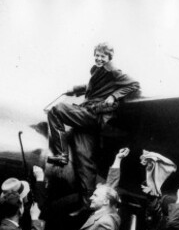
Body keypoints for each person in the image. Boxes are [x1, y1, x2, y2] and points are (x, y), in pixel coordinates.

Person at [47, 42, 140, 206]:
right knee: (85, 164)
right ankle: (87, 206)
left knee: (56, 110)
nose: (99, 58)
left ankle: (61, 154)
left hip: (93, 114)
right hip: (89, 122)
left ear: (109, 57)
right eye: (97, 55)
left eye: (103, 56)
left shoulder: (113, 70)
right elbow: (92, 88)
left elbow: (134, 84)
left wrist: (115, 96)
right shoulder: (98, 70)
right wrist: (75, 89)